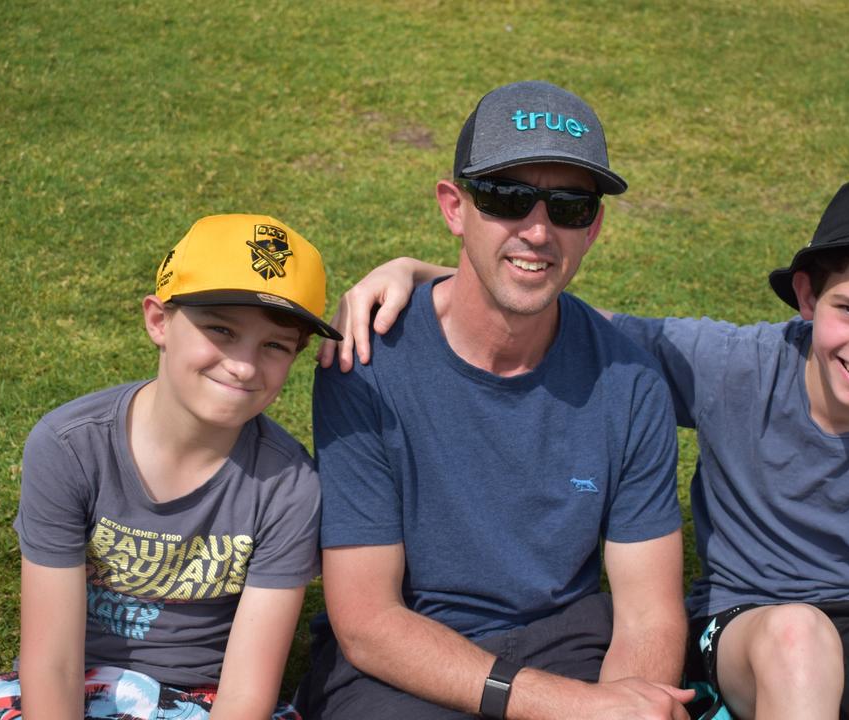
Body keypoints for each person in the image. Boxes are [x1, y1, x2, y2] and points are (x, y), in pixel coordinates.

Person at [319, 173, 849, 720]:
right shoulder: (731, 364)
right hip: (757, 633)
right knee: (799, 638)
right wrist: (426, 271)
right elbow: (559, 317)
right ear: (805, 296)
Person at [297, 80, 693, 720]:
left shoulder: (631, 381)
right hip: (407, 664)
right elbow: (368, 621)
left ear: (592, 226)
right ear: (455, 208)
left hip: (571, 647)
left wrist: (628, 705)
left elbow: (649, 612)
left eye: (568, 207)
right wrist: (565, 706)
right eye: (507, 198)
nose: (538, 231)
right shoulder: (365, 364)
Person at [0, 214, 342, 720]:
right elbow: (53, 663)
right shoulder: (68, 448)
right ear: (158, 321)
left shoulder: (289, 486)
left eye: (274, 346)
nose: (243, 366)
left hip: (205, 696)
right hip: (76, 681)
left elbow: (246, 694)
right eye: (220, 329)